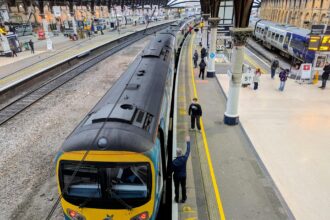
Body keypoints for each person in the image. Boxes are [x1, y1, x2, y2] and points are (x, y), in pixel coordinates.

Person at [171, 135, 191, 203]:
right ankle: (184, 198)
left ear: (177, 154)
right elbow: (188, 151)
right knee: (183, 187)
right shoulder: (184, 159)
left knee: (176, 188)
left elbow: (171, 170)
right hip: (183, 176)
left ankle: (176, 199)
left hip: (176, 176)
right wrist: (188, 142)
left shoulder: (173, 162)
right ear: (181, 153)